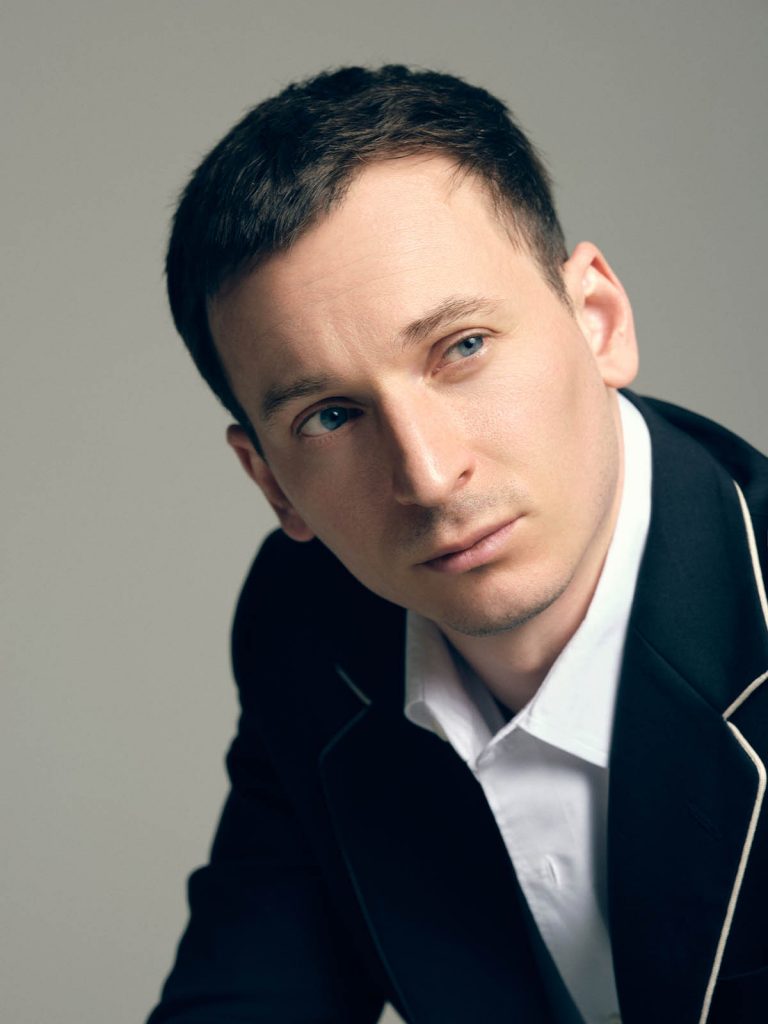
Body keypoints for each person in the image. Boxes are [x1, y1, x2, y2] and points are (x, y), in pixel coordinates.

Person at [146, 66, 768, 1024]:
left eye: (463, 347)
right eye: (331, 416)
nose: (430, 476)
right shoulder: (307, 629)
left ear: (599, 322)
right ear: (270, 481)